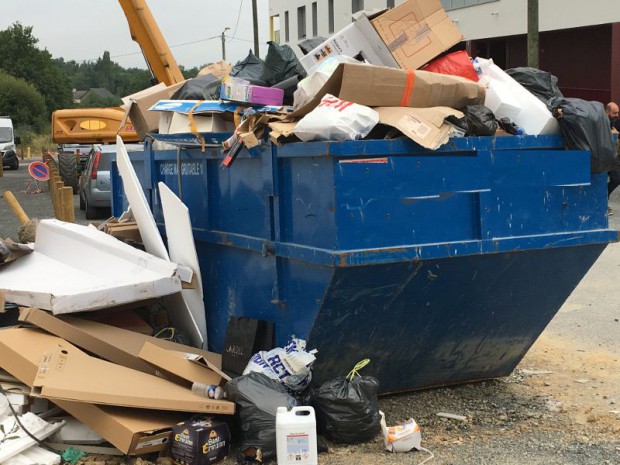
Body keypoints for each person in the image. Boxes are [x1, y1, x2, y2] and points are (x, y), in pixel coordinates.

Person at [605, 102, 620, 215]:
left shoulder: (613, 121)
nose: (617, 115)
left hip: (611, 156)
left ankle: (603, 200)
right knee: (616, 178)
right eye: (614, 113)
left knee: (617, 178)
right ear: (607, 112)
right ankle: (602, 202)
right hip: (602, 156)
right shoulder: (602, 121)